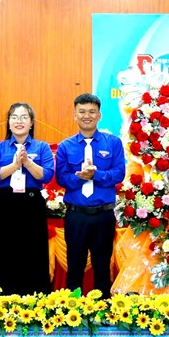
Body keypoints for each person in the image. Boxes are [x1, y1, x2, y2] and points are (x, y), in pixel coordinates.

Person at [56, 93, 125, 298]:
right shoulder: (65, 146)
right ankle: (73, 307)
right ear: (75, 115)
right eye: (82, 112)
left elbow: (119, 173)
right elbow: (61, 178)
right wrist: (80, 177)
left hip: (103, 215)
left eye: (92, 112)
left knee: (102, 265)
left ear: (99, 115)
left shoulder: (113, 143)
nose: (87, 116)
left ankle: (102, 307)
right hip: (76, 215)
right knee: (74, 265)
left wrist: (97, 175)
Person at [0, 103, 55, 295]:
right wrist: (15, 165)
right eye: (14, 117)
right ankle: (1, 300)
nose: (19, 121)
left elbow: (47, 175)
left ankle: (34, 300)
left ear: (31, 123)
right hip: (6, 204)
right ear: (8, 122)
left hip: (32, 204)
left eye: (24, 117)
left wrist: (27, 162)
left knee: (34, 253)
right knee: (3, 252)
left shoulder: (42, 147)